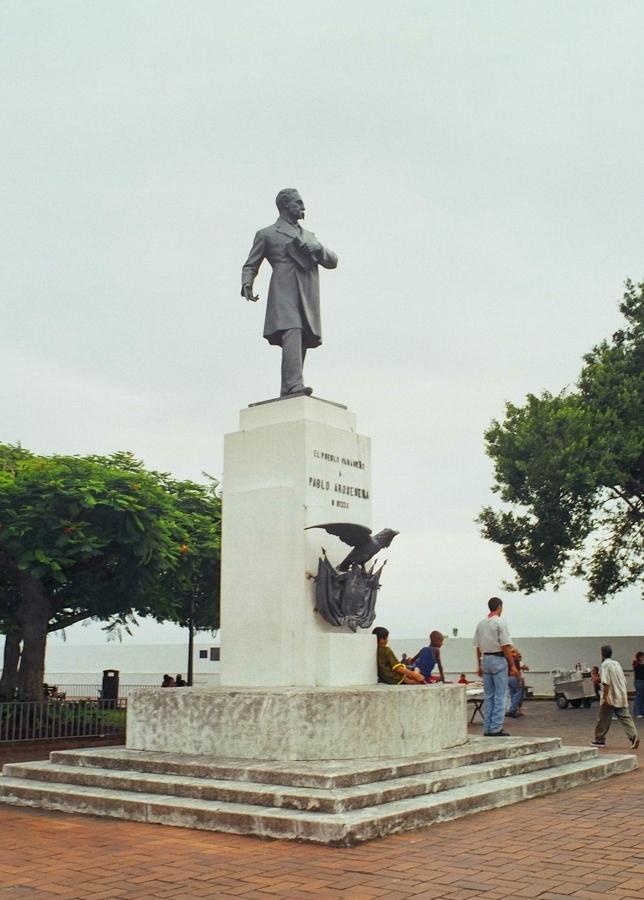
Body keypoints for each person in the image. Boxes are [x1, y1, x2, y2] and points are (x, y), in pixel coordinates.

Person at [241, 189, 338, 397]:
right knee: (292, 330)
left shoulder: (310, 236)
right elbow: (251, 264)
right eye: (298, 203)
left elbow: (333, 261)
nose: (303, 207)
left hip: (308, 290)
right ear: (285, 205)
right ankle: (294, 384)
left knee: (301, 334)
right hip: (284, 288)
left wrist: (318, 248)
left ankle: (289, 387)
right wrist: (247, 283)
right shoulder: (267, 233)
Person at [473, 597, 517, 737]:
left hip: (485, 658)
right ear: (499, 607)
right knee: (500, 694)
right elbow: (505, 646)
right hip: (498, 658)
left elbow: (478, 646)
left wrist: (479, 663)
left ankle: (487, 727)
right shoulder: (499, 622)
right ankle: (496, 727)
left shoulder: (481, 624)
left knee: (489, 695)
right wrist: (512, 665)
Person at [591, 645, 639, 749]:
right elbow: (623, 680)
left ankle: (600, 739)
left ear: (602, 654)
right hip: (621, 694)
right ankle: (633, 736)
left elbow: (606, 682)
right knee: (625, 717)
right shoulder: (617, 664)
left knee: (603, 719)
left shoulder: (605, 665)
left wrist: (606, 696)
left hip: (611, 696)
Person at [632, 651, 644, 719]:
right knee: (639, 697)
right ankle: (638, 712)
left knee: (642, 697)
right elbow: (635, 667)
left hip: (642, 680)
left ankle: (641, 711)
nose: (643, 658)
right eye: (642, 656)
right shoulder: (636, 663)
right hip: (639, 681)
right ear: (639, 657)